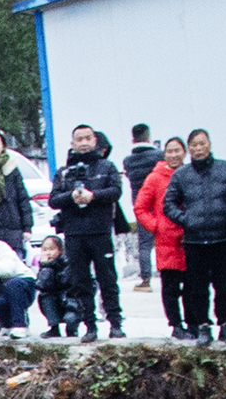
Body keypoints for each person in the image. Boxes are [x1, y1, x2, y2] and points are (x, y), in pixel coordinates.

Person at [51, 125, 123, 339]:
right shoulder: (64, 173)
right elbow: (53, 199)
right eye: (79, 139)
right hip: (74, 233)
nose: (83, 143)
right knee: (80, 281)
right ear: (72, 143)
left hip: (100, 231)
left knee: (107, 279)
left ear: (95, 141)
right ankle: (90, 326)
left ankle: (116, 323)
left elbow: (116, 191)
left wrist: (94, 196)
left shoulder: (107, 166)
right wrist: (70, 197)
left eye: (87, 138)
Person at [132, 136, 189, 337]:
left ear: (185, 152)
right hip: (167, 240)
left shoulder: (191, 173)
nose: (174, 155)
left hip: (191, 238)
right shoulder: (155, 177)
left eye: (177, 150)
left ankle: (195, 322)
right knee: (171, 287)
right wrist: (156, 226)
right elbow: (140, 207)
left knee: (193, 285)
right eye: (170, 151)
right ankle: (176, 324)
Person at [119, 126, 161, 294]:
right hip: (159, 201)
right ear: (149, 137)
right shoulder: (159, 155)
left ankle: (145, 279)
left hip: (140, 203)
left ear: (133, 139)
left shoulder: (128, 160)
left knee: (144, 243)